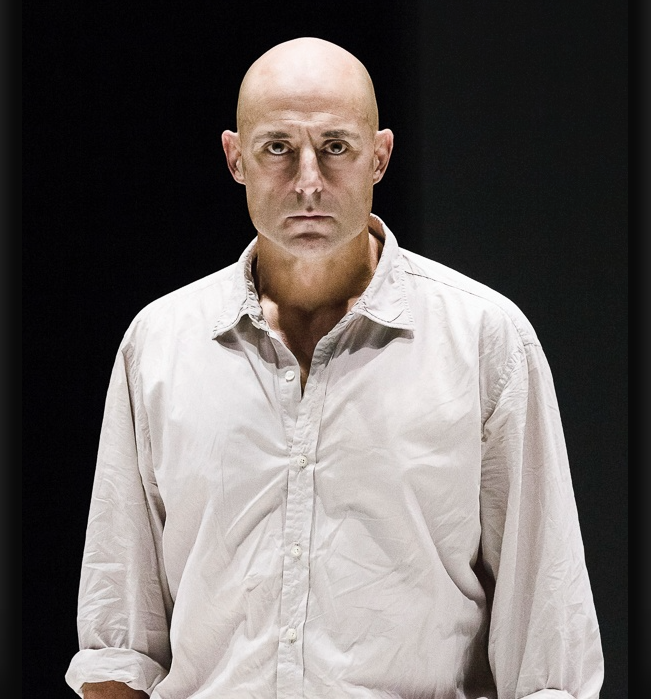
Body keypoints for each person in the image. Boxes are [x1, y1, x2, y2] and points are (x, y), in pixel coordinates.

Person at [65, 37, 604, 699]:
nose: (308, 182)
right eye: (277, 148)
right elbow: (119, 645)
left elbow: (546, 641)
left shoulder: (483, 340)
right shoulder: (160, 344)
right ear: (235, 158)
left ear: (380, 155)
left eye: (335, 147)